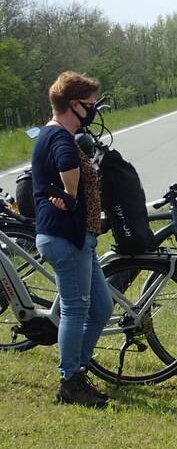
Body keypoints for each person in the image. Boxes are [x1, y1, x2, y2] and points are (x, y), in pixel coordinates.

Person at [31, 71, 113, 407]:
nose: (93, 110)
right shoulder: (61, 138)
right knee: (76, 309)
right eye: (90, 104)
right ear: (74, 105)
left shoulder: (53, 134)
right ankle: (70, 381)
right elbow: (67, 164)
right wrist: (71, 192)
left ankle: (78, 369)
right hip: (65, 238)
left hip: (77, 239)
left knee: (102, 307)